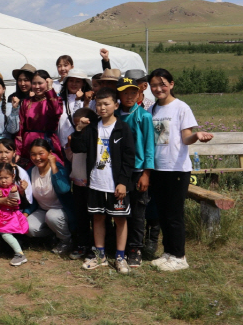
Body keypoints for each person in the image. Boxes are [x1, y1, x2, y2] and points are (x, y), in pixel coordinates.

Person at [148, 68, 213, 272]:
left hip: (176, 169)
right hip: (158, 169)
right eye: (154, 85)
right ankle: (168, 252)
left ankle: (179, 256)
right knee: (163, 213)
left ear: (172, 84)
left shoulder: (181, 108)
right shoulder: (152, 109)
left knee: (174, 214)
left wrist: (197, 136)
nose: (158, 88)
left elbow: (186, 138)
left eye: (162, 84)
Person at [71, 87, 136, 274]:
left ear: (116, 105)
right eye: (98, 104)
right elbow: (78, 148)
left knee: (120, 220)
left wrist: (123, 181)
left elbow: (129, 157)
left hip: (116, 184)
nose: (102, 107)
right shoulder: (92, 127)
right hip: (96, 182)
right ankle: (100, 255)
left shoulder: (123, 128)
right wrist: (78, 130)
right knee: (98, 218)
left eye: (106, 103)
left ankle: (120, 257)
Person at [116, 77, 155, 268]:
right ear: (119, 95)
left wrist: (146, 173)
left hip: (138, 170)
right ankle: (117, 246)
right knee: (120, 211)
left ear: (139, 93)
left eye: (133, 92)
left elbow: (149, 146)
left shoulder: (144, 116)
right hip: (118, 171)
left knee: (138, 213)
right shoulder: (114, 115)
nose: (130, 96)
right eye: (125, 93)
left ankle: (135, 248)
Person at [23, 138, 75, 255]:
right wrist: (25, 214)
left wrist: (54, 166)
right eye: (33, 154)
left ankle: (66, 240)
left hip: (61, 210)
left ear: (50, 153)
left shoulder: (58, 169)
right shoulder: (31, 171)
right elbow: (31, 199)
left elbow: (64, 189)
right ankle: (54, 235)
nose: (37, 158)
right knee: (28, 227)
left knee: (52, 216)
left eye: (41, 153)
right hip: (42, 210)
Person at [67, 107, 99, 261]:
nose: (77, 126)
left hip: (93, 182)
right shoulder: (75, 135)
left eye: (80, 123)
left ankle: (96, 245)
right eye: (75, 124)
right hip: (78, 182)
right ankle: (82, 244)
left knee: (96, 217)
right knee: (81, 216)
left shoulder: (94, 134)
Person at [0, 163, 29, 266]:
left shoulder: (15, 188)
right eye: (0, 178)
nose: (3, 180)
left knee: (6, 234)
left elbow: (18, 202)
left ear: (12, 176)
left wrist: (15, 192)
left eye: (6, 177)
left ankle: (19, 254)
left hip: (10, 215)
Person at [15, 70, 64, 167]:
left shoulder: (56, 100)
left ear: (47, 82)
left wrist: (50, 89)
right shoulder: (26, 102)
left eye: (40, 83)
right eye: (34, 83)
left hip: (48, 141)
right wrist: (18, 150)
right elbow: (20, 127)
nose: (37, 87)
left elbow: (56, 112)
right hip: (28, 142)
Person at [57, 69, 93, 164]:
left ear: (83, 84)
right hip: (61, 146)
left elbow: (76, 120)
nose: (74, 84)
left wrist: (78, 100)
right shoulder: (60, 101)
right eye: (71, 80)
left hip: (78, 146)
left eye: (78, 81)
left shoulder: (88, 101)